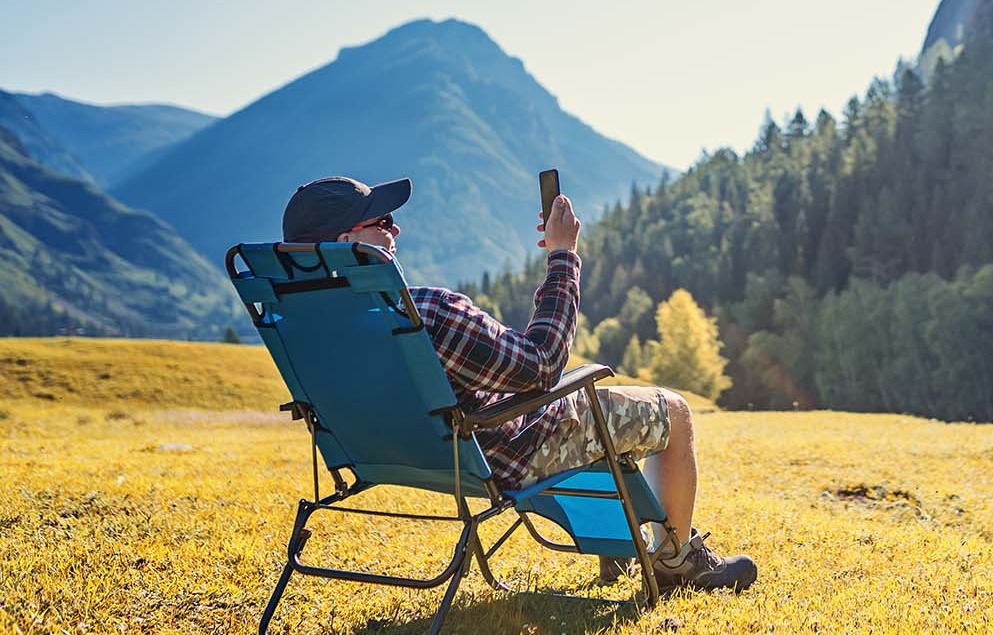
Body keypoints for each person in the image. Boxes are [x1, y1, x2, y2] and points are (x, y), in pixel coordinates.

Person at [281, 175, 756, 592]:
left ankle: (621, 540)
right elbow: (543, 364)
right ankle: (675, 561)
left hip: (389, 455)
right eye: (382, 221)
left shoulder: (294, 322)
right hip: (504, 454)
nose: (395, 228)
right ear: (347, 241)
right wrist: (563, 257)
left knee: (599, 413)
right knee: (670, 410)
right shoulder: (424, 313)